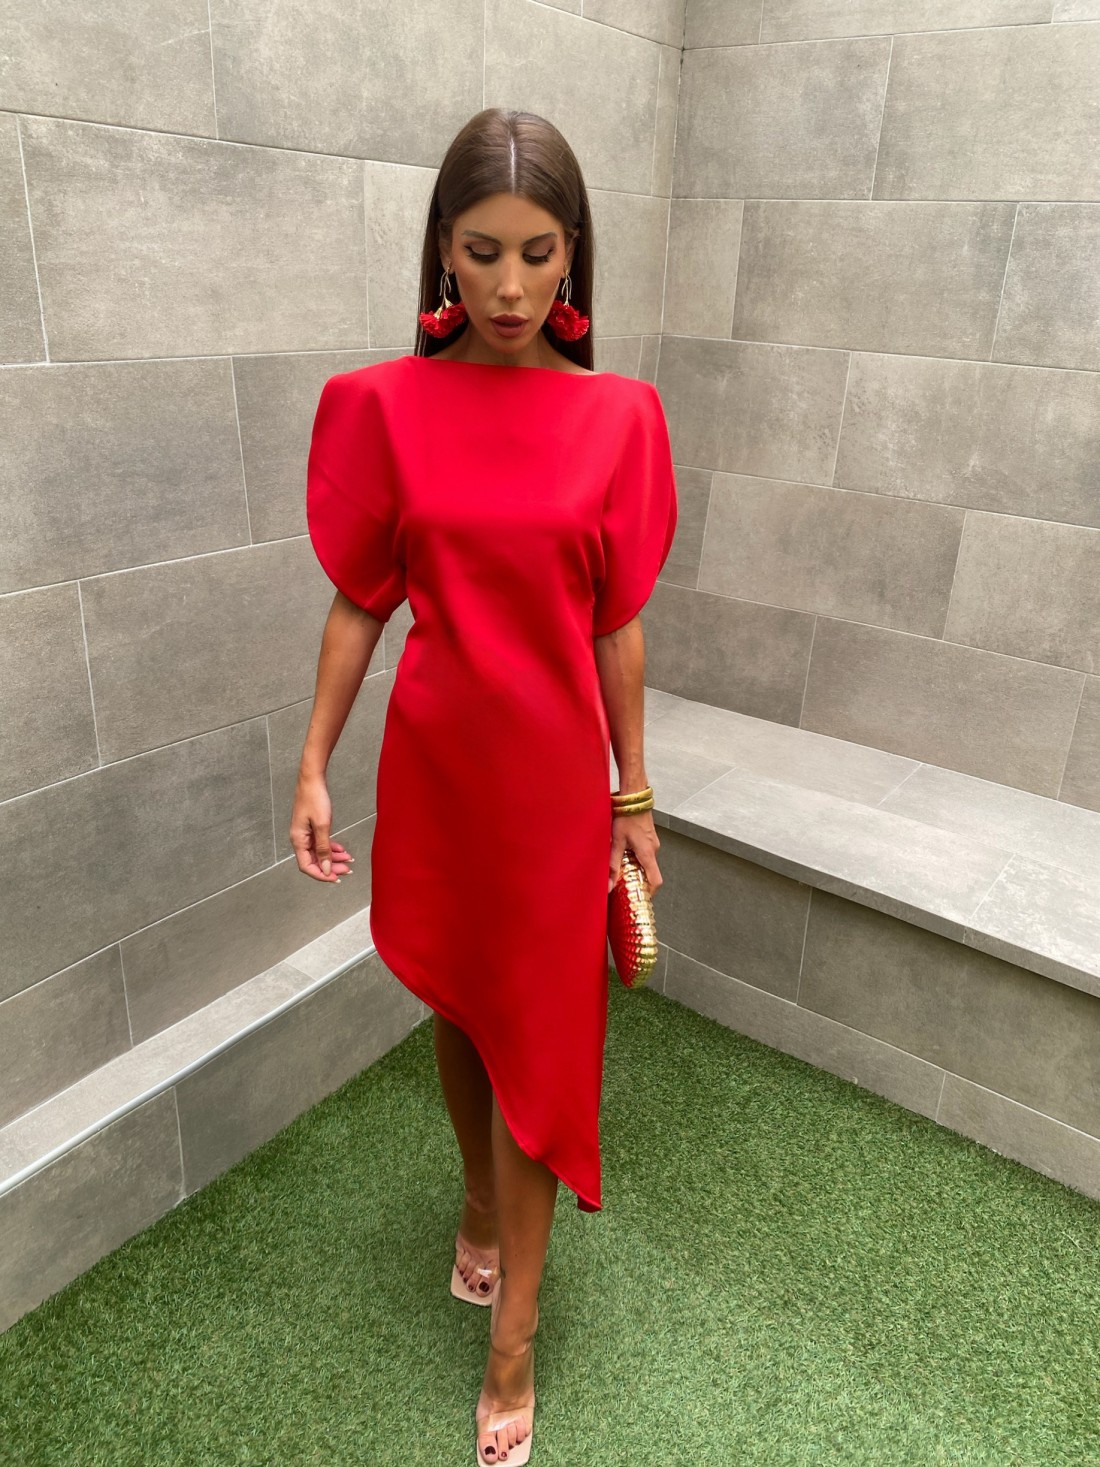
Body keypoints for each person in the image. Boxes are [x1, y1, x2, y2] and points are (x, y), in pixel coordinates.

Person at [290, 106, 678, 1467]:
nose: (510, 287)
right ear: (441, 254)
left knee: (543, 1042)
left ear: (573, 255)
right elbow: (361, 602)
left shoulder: (620, 418)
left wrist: (634, 794)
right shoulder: (380, 409)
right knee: (462, 1008)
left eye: (537, 252)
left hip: (553, 791)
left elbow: (617, 624)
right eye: (482, 252)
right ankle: (474, 1205)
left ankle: (514, 1339)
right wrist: (313, 765)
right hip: (441, 774)